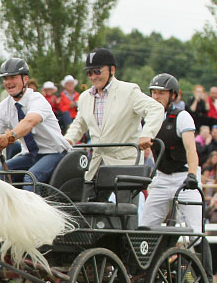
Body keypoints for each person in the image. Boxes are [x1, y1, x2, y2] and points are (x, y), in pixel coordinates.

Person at [0, 58, 70, 191]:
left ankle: (31, 211)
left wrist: (9, 137)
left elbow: (29, 122)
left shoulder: (37, 99)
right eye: (5, 79)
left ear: (25, 79)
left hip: (55, 152)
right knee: (1, 173)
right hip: (30, 155)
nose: (8, 82)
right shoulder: (3, 107)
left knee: (31, 177)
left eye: (13, 77)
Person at [64, 48, 165, 183]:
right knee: (85, 199)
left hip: (126, 166)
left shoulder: (129, 91)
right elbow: (79, 125)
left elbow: (156, 109)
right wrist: (66, 142)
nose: (93, 76)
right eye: (89, 73)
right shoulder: (84, 98)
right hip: (97, 165)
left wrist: (147, 134)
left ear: (112, 70)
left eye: (97, 71)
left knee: (124, 204)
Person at [139, 74, 201, 230]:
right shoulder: (147, 119)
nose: (156, 96)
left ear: (173, 95)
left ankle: (201, 253)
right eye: (154, 92)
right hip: (161, 178)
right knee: (145, 227)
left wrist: (192, 175)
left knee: (195, 230)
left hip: (184, 177)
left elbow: (191, 149)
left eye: (161, 93)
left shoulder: (182, 117)